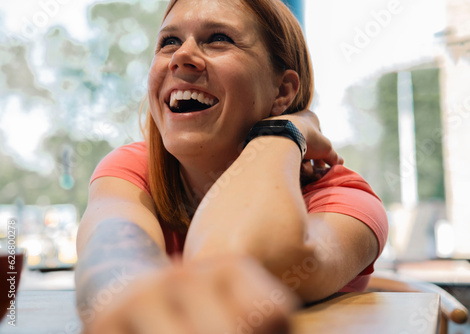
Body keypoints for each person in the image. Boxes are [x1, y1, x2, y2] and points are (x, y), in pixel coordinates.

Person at [75, 0, 389, 333]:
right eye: (169, 42)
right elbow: (109, 259)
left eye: (218, 38)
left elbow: (236, 260)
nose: (182, 56)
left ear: (282, 91)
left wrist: (280, 134)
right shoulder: (133, 168)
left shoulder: (344, 200)